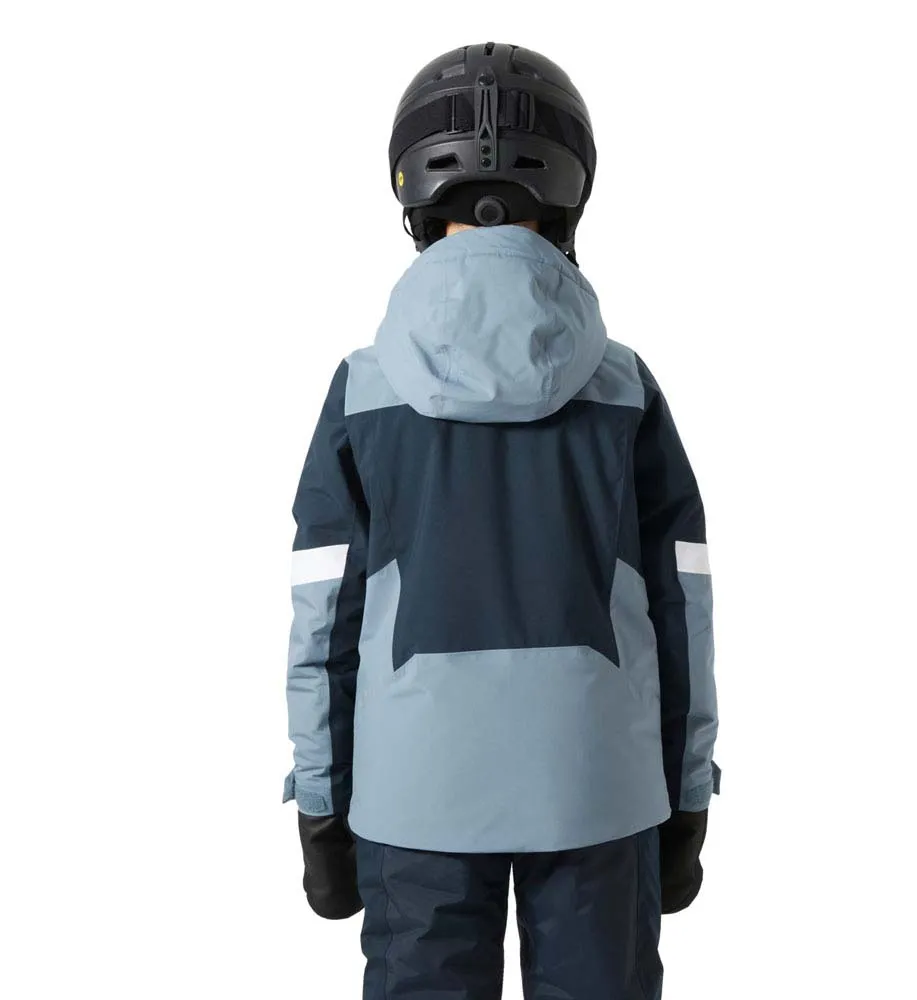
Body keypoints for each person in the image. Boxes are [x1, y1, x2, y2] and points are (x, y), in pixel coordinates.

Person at [283, 42, 720, 1000]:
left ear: (413, 193)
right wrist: (689, 792)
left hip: (413, 796)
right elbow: (681, 605)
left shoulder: (364, 391)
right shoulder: (625, 389)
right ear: (569, 191)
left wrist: (320, 803)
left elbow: (325, 621)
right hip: (598, 789)